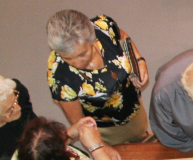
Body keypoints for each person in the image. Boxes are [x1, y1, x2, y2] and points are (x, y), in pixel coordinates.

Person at [46, 10, 151, 145]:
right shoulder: (58, 74)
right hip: (106, 134)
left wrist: (139, 60)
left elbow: (123, 37)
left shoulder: (103, 28)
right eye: (68, 58)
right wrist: (100, 148)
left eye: (82, 54)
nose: (78, 63)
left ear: (93, 39)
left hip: (135, 111)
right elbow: (80, 123)